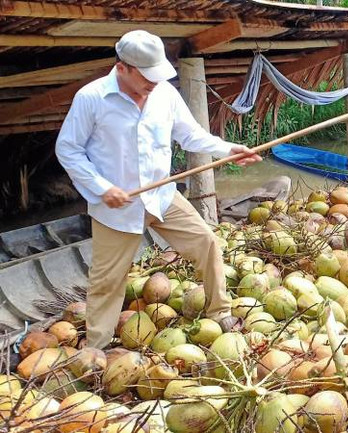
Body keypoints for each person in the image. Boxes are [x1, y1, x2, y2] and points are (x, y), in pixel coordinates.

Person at [55, 30, 261, 349]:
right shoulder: (92, 98)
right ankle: (96, 347)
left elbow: (190, 135)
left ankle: (220, 312)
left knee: (207, 243)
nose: (154, 83)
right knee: (107, 281)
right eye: (147, 76)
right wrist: (101, 187)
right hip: (117, 208)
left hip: (163, 198)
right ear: (122, 68)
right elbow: (68, 149)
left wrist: (227, 149)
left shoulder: (164, 93)